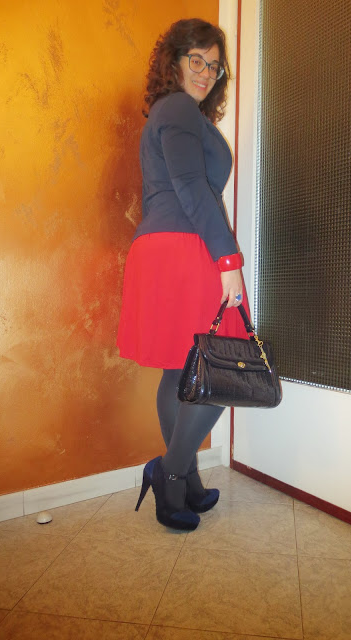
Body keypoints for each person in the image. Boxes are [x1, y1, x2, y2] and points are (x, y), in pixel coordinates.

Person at [117, 18, 249, 531]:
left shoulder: (183, 115)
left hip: (169, 247)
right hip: (182, 248)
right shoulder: (176, 108)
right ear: (173, 61)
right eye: (197, 59)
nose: (206, 72)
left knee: (180, 370)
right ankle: (169, 472)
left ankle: (184, 479)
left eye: (215, 66)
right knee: (223, 370)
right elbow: (192, 189)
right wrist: (228, 260)